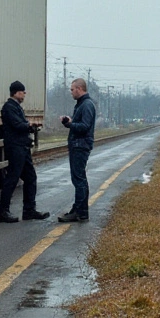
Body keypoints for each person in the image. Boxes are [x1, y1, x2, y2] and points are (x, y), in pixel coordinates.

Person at [0, 80, 50, 223]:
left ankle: (29, 210)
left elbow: (20, 124)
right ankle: (2, 211)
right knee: (12, 178)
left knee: (31, 177)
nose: (24, 94)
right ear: (16, 92)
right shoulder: (9, 107)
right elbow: (16, 125)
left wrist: (29, 126)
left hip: (22, 147)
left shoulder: (16, 107)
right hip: (15, 148)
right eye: (22, 92)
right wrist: (28, 125)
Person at [58, 78, 95, 223]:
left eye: (72, 89)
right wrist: (70, 122)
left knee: (78, 179)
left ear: (79, 89)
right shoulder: (83, 104)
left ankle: (79, 211)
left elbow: (84, 126)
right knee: (80, 179)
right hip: (79, 144)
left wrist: (71, 123)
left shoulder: (86, 105)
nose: (71, 92)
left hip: (80, 145)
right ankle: (81, 211)